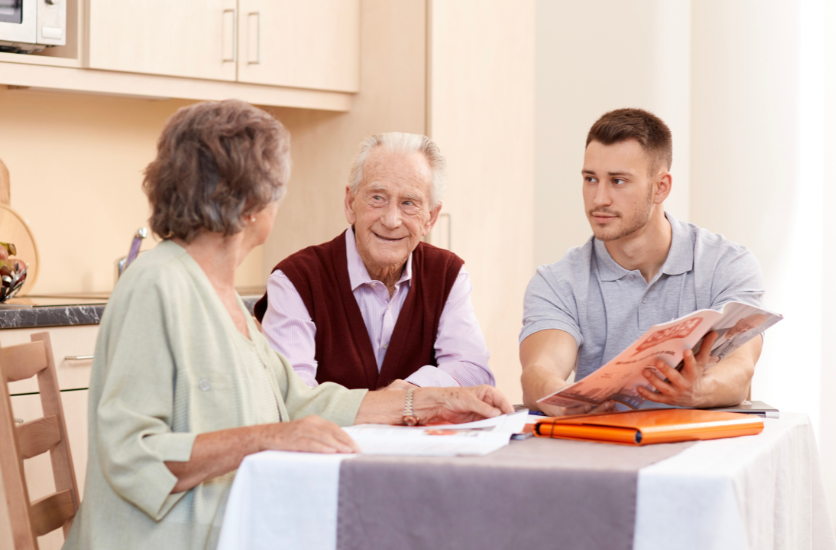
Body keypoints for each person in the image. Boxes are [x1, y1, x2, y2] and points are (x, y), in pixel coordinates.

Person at [63, 101, 512, 550]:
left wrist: (431, 403)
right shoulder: (156, 284)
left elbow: (297, 401)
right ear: (249, 206)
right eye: (276, 186)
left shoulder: (220, 296)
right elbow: (131, 454)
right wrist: (268, 437)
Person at [519, 108, 766, 417]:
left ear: (661, 187)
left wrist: (696, 391)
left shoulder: (726, 265)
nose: (598, 199)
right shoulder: (557, 282)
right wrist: (559, 399)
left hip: (701, 452)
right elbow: (539, 371)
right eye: (591, 179)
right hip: (602, 450)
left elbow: (741, 368)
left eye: (618, 181)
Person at [254, 132, 493, 391]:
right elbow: (293, 396)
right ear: (350, 203)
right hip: (331, 433)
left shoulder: (447, 274)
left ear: (431, 218)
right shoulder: (296, 280)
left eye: (408, 203)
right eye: (377, 198)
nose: (391, 220)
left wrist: (404, 393)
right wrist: (406, 403)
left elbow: (472, 370)